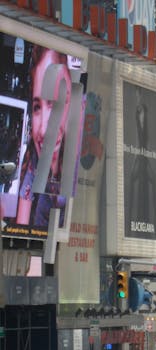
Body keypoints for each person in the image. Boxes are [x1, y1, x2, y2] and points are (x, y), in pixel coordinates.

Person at [16, 46, 72, 230]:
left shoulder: (82, 155)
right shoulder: (34, 160)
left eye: (54, 103)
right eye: (37, 107)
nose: (44, 128)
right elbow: (21, 228)